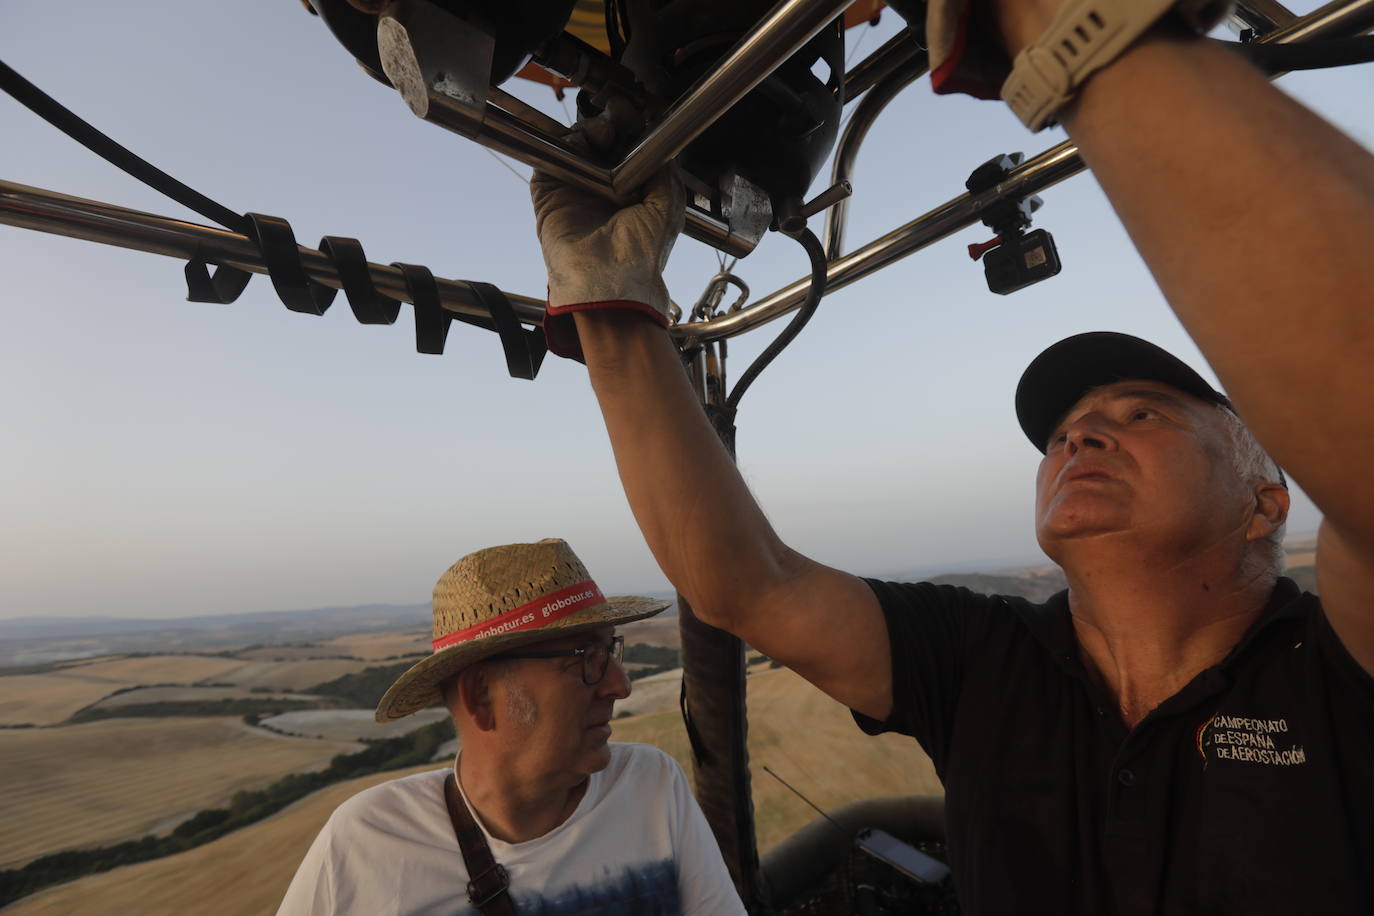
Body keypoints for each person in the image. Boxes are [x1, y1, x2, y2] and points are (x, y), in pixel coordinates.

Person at [529, 1, 1374, 913]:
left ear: (1267, 501)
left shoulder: (1336, 664)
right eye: (1062, 434)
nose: (1079, 436)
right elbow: (748, 585)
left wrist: (1068, 31)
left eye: (1142, 415)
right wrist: (611, 309)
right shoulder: (986, 658)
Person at [277, 538, 745, 915]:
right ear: (481, 697)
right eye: (586, 658)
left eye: (610, 651)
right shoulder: (365, 843)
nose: (619, 686)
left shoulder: (650, 785)